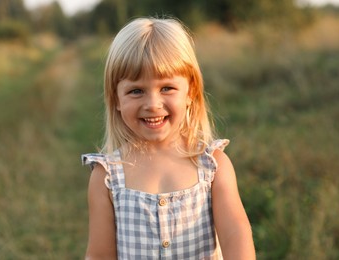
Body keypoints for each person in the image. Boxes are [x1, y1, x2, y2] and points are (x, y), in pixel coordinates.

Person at [82, 17, 255, 259]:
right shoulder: (107, 176)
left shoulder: (212, 165)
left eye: (167, 88)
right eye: (136, 91)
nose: (153, 104)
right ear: (117, 99)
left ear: (190, 92)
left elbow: (236, 234)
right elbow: (100, 255)